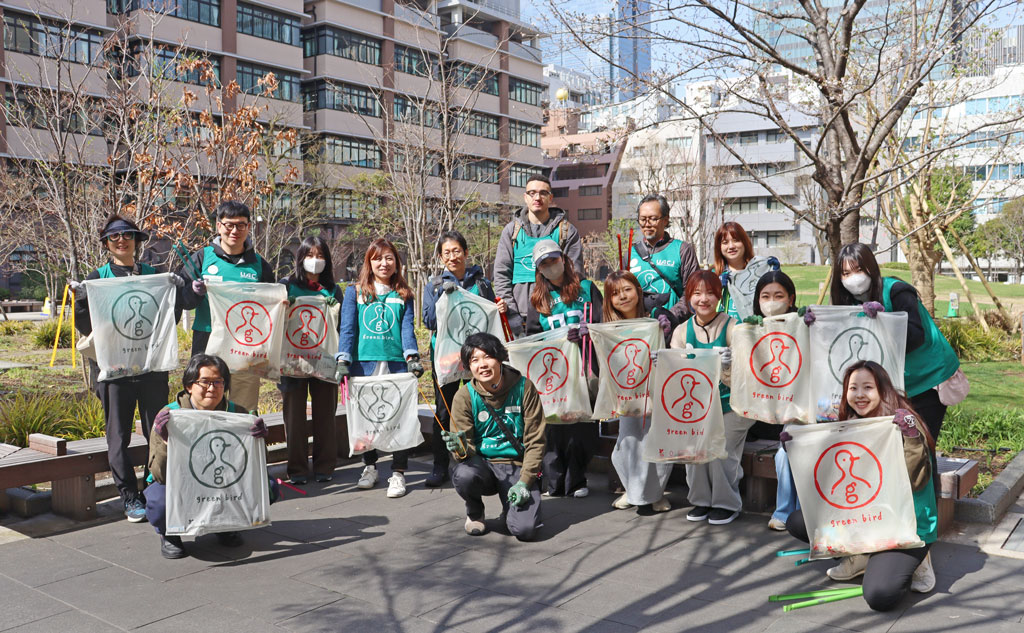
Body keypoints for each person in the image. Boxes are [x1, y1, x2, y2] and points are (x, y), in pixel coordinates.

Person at [781, 361, 937, 611]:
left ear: (883, 390)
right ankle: (859, 555)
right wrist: (796, 447)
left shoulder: (902, 423)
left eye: (868, 387)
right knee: (800, 522)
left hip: (903, 525)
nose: (860, 395)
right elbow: (825, 473)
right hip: (862, 517)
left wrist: (911, 438)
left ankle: (919, 559)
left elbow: (915, 482)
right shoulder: (849, 423)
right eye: (853, 388)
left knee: (879, 594)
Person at [72, 214, 183, 523]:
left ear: (137, 241)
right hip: (114, 371)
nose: (121, 241)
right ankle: (129, 495)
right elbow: (86, 324)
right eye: (114, 237)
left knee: (156, 431)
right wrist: (81, 300)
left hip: (150, 369)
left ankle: (152, 487)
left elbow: (166, 320)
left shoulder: (153, 275)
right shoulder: (98, 278)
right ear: (107, 243)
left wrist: (174, 290)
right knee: (118, 435)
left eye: (127, 236)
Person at [825, 243, 962, 439]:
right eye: (845, 273)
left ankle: (928, 471)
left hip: (927, 378)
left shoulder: (897, 291)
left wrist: (883, 322)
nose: (853, 278)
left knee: (920, 441)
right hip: (890, 384)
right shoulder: (848, 303)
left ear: (871, 268)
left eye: (858, 269)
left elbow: (915, 336)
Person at [144, 354, 270, 559]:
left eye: (218, 382)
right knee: (159, 501)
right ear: (189, 386)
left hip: (220, 480)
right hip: (180, 483)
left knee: (269, 487)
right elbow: (159, 475)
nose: (212, 388)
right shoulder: (170, 416)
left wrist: (259, 440)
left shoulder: (238, 414)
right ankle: (169, 533)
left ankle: (227, 526)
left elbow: (252, 467)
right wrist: (167, 440)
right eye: (205, 382)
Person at [336, 238, 422, 498]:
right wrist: (343, 360)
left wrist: (412, 357)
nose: (383, 263)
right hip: (365, 365)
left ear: (397, 263)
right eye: (377, 258)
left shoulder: (404, 293)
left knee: (400, 416)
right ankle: (370, 467)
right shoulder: (355, 292)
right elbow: (348, 328)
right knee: (366, 417)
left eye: (389, 258)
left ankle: (398, 473)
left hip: (396, 365)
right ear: (369, 263)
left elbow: (407, 329)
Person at [421, 230, 505, 488]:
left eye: (457, 251)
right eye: (447, 252)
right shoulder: (434, 285)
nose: (452, 256)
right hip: (446, 357)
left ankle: (480, 459)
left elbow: (490, 319)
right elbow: (429, 322)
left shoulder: (481, 284)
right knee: (443, 411)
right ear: (440, 257)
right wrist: (443, 298)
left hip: (477, 357)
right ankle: (440, 464)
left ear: (466, 253)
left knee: (481, 405)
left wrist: (498, 309)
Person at [443, 332, 546, 540]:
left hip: (517, 465)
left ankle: (511, 509)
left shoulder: (524, 387)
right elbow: (466, 449)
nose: (482, 364)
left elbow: (536, 441)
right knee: (463, 474)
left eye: (487, 356)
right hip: (484, 465)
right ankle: (475, 512)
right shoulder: (464, 396)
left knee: (524, 531)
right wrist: (459, 447)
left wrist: (525, 482)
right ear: (468, 366)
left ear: (499, 358)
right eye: (474, 360)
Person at [669, 270, 752, 525]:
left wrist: (729, 363)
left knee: (720, 449)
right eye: (696, 293)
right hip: (696, 406)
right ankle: (701, 500)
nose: (703, 299)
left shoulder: (732, 327)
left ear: (719, 295)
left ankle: (727, 503)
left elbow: (746, 373)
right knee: (694, 451)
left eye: (710, 293)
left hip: (731, 405)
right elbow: (675, 372)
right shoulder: (682, 331)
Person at [178, 200, 276, 412]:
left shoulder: (259, 265)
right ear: (218, 226)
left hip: (246, 343)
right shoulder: (202, 258)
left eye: (240, 225)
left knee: (244, 406)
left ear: (248, 227)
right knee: (206, 401)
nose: (234, 231)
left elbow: (271, 305)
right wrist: (193, 292)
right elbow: (182, 300)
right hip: (207, 339)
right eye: (229, 224)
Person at [529, 239, 601, 498]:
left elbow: (602, 321)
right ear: (539, 269)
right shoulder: (538, 299)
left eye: (554, 260)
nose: (551, 266)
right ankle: (554, 482)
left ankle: (578, 479)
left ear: (563, 259)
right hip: (554, 373)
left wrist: (588, 332)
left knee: (582, 426)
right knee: (554, 427)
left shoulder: (587, 288)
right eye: (544, 264)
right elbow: (533, 336)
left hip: (585, 367)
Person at [602, 270, 672, 512]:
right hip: (627, 394)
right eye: (615, 293)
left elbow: (673, 351)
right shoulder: (609, 327)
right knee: (627, 442)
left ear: (638, 290)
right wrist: (582, 339)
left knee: (657, 442)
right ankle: (633, 491)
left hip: (656, 391)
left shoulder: (656, 315)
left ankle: (656, 494)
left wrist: (667, 330)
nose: (622, 296)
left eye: (627, 289)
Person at [278, 236, 344, 485]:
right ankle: (296, 469)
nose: (314, 261)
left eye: (320, 256)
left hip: (324, 358)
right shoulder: (287, 285)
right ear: (300, 258)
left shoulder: (333, 289)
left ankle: (324, 466)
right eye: (309, 255)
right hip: (293, 360)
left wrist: (334, 308)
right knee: (293, 416)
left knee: (326, 413)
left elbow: (341, 324)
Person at [745, 271, 802, 531]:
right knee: (783, 454)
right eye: (765, 296)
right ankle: (784, 511)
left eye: (778, 295)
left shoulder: (803, 324)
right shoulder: (752, 329)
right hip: (766, 411)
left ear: (791, 299)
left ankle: (800, 512)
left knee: (791, 449)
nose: (772, 301)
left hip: (800, 409)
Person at [493, 173, 584, 337]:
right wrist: (512, 315)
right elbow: (501, 275)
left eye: (543, 193)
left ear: (551, 198)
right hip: (520, 319)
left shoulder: (566, 231)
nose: (538, 197)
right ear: (525, 197)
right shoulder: (511, 232)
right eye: (532, 193)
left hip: (556, 317)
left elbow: (575, 274)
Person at [629, 194, 700, 325]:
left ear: (666, 220)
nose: (647, 224)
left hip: (674, 327)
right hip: (638, 327)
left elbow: (693, 291)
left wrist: (670, 316)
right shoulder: (630, 252)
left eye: (653, 219)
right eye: (643, 219)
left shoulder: (682, 249)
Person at [712, 221, 780, 321]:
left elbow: (778, 301)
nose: (731, 246)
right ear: (719, 247)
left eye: (736, 240)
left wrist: (776, 276)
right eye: (725, 242)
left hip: (755, 333)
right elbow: (699, 309)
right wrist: (715, 289)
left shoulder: (759, 271)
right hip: (725, 334)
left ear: (745, 243)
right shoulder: (712, 276)